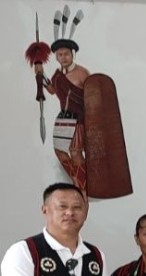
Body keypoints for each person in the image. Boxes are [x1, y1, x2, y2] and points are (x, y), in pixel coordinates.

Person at [35, 35, 90, 190]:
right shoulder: (58, 74)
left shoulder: (82, 73)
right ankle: (78, 180)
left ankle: (83, 188)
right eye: (60, 54)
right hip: (64, 118)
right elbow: (52, 90)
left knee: (76, 152)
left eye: (66, 54)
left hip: (78, 119)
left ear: (72, 54)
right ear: (56, 57)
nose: (63, 57)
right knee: (60, 151)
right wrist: (41, 75)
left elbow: (93, 95)